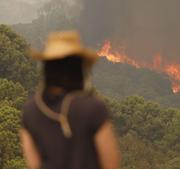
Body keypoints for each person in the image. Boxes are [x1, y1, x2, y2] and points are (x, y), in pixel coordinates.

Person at [20, 31, 120, 169]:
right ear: (78, 68)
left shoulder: (30, 110)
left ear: (48, 68)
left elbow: (34, 164)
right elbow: (110, 163)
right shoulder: (93, 107)